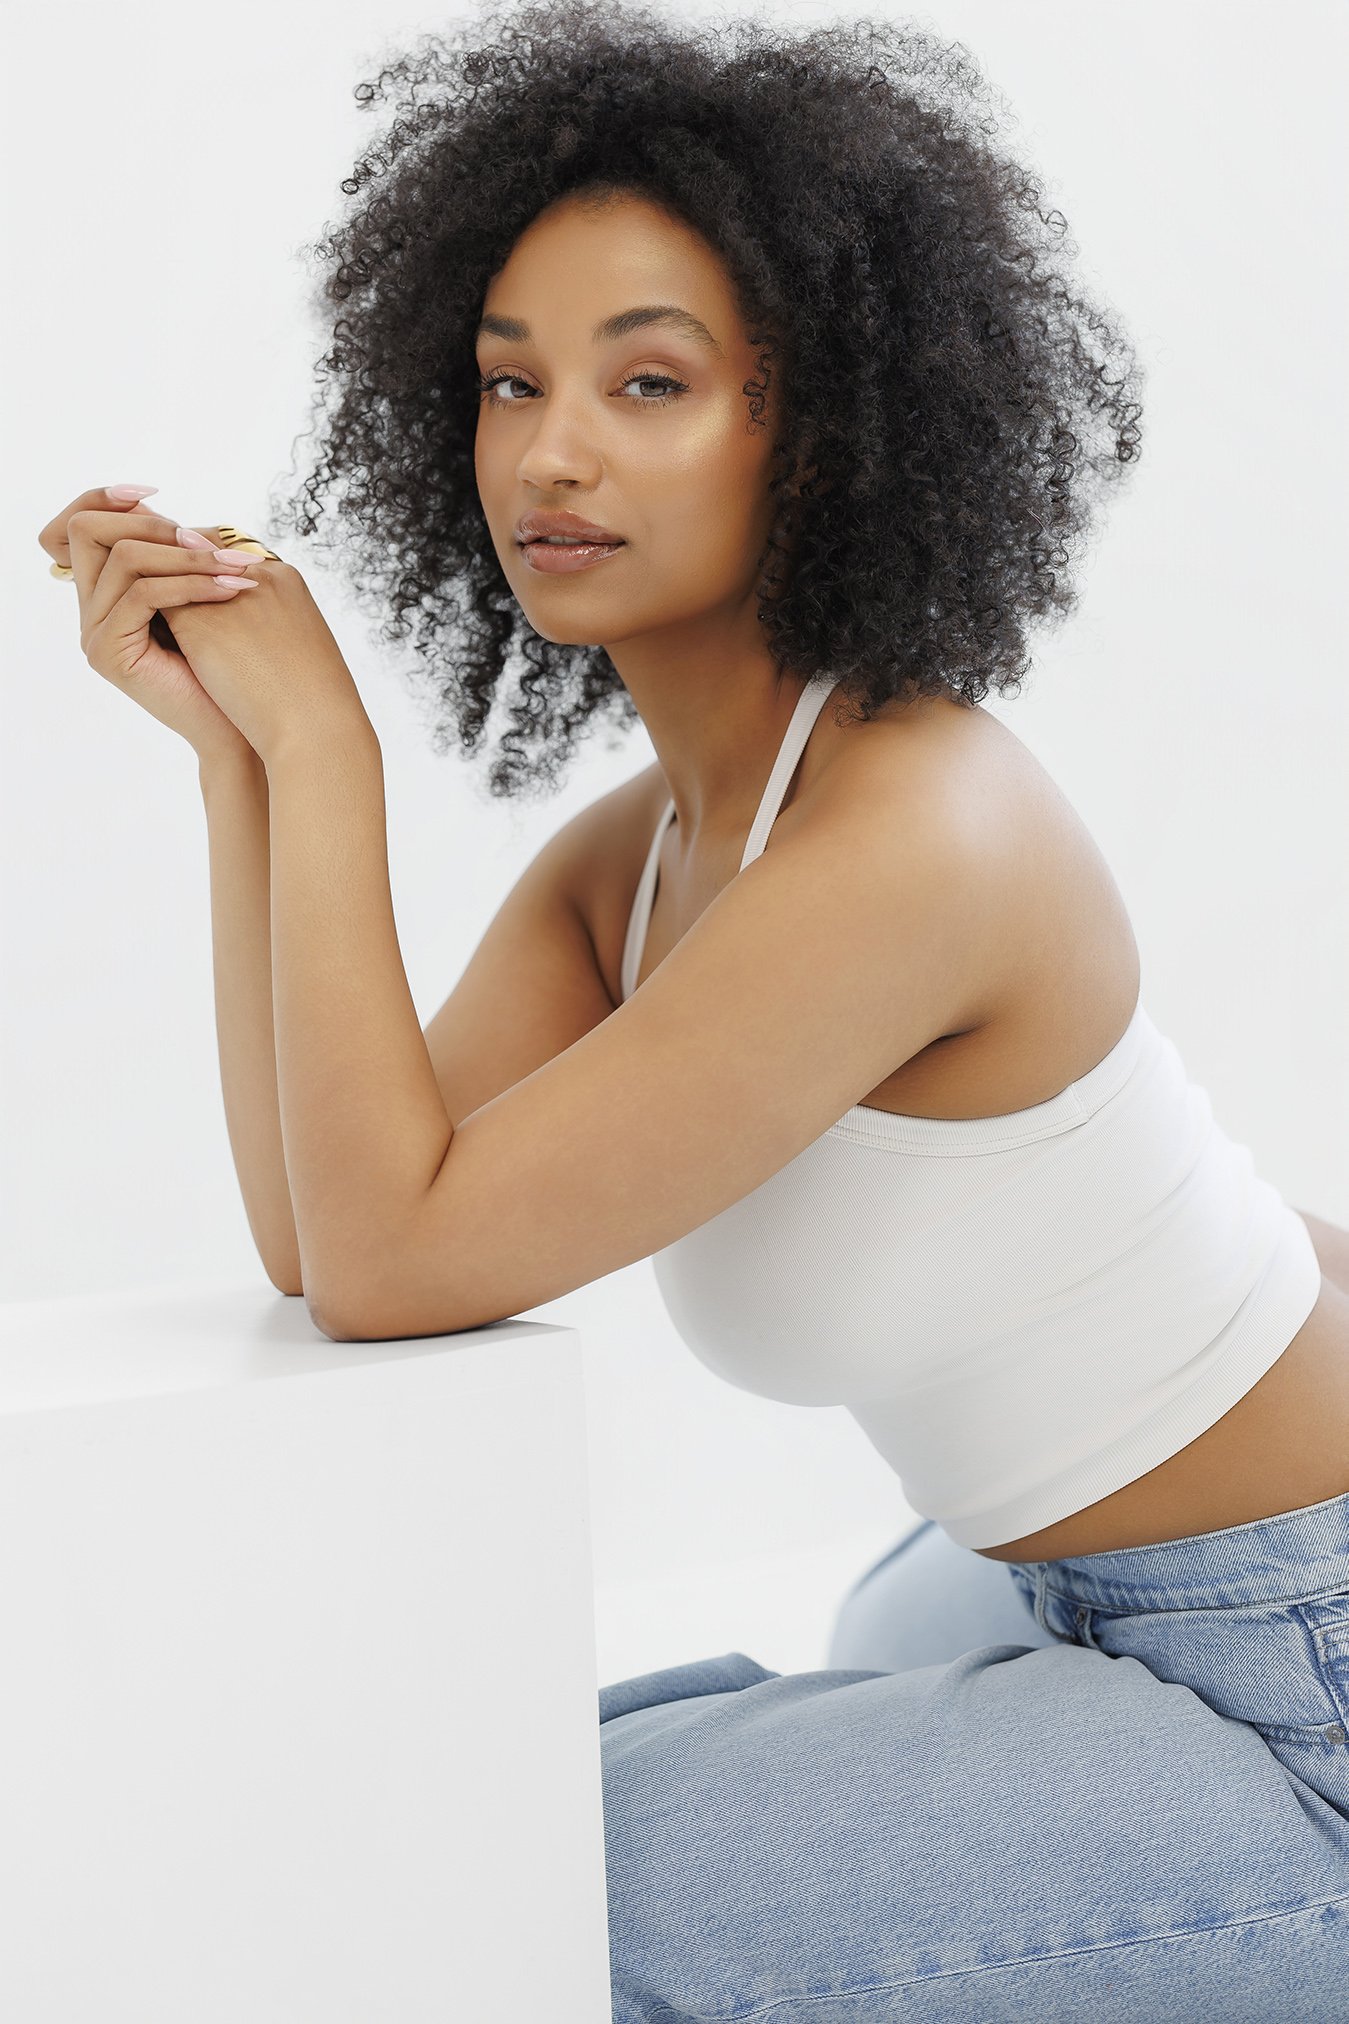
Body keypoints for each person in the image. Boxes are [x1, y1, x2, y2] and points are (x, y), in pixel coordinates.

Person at [45, 2, 1349, 2014]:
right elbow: (330, 1232)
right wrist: (248, 764)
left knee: (533, 1904)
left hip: (1296, 1678)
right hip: (1029, 1589)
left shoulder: (916, 834)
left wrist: (345, 762)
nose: (547, 452)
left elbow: (390, 1264)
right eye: (506, 383)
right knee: (447, 1810)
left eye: (648, 380)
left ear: (815, 429)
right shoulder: (641, 857)